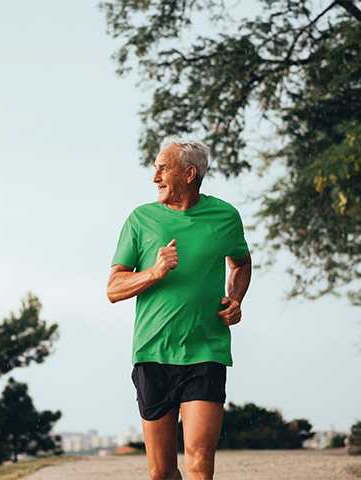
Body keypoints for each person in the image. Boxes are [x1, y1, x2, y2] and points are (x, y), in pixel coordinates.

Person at [107, 137, 252, 480]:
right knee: (161, 472)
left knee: (199, 459)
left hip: (206, 350)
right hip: (153, 353)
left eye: (162, 168)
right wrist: (155, 273)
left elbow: (241, 263)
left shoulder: (225, 217)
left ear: (189, 173)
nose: (154, 177)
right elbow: (113, 289)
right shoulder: (141, 220)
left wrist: (236, 299)